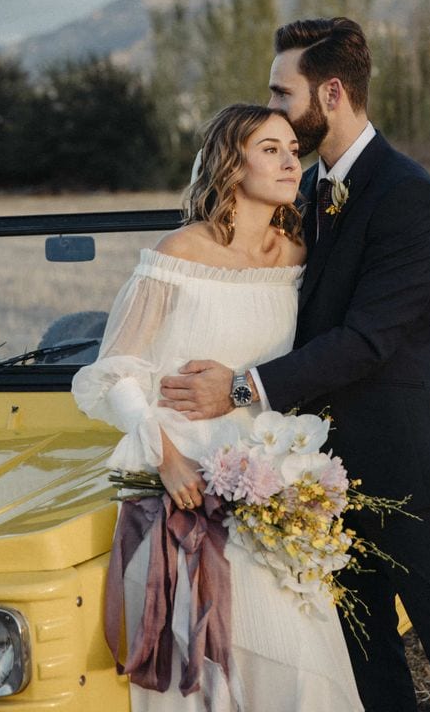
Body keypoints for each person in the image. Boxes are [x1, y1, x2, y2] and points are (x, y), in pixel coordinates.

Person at [159, 19, 430, 712]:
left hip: (406, 473)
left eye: (281, 90)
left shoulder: (406, 195)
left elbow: (367, 340)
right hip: (319, 482)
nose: (272, 107)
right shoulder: (307, 193)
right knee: (366, 660)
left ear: (330, 93)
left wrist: (239, 389)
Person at [72, 103, 363, 712]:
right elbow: (116, 373)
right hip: (182, 477)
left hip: (269, 475)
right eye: (270, 149)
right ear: (231, 165)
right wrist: (167, 459)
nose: (291, 161)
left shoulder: (295, 255)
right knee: (204, 657)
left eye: (292, 148)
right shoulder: (178, 252)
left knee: (298, 654)